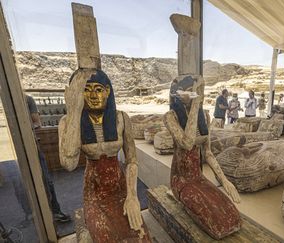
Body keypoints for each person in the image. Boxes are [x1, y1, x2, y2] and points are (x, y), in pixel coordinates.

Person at [59, 70, 151, 241]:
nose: (93, 95)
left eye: (99, 89)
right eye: (86, 90)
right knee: (105, 236)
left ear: (108, 91)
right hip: (94, 192)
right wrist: (74, 111)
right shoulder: (68, 121)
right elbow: (69, 163)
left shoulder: (121, 118)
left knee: (141, 236)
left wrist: (132, 196)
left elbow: (131, 160)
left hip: (120, 187)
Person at [164, 76, 241, 239]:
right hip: (181, 180)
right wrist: (195, 105)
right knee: (214, 221)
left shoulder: (204, 117)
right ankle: (179, 196)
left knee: (230, 216)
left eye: (200, 90)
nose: (198, 93)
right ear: (179, 93)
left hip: (198, 177)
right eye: (193, 90)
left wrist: (224, 180)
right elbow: (187, 142)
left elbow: (208, 153)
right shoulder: (171, 116)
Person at [25, 94, 71, 223]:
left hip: (33, 146)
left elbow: (36, 122)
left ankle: (55, 211)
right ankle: (33, 214)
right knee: (23, 184)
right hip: (23, 149)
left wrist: (26, 130)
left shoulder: (27, 100)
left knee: (46, 180)